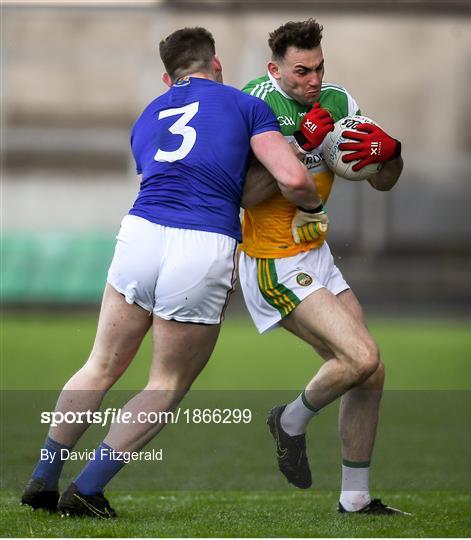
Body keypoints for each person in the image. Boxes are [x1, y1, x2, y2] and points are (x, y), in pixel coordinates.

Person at [20, 26, 327, 519]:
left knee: (100, 364)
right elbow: (290, 178)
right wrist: (312, 202)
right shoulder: (245, 104)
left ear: (169, 77)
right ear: (217, 65)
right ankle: (88, 489)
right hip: (201, 242)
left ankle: (43, 476)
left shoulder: (147, 115)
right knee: (166, 382)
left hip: (140, 231)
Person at [239, 19, 409, 515]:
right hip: (273, 259)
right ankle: (288, 421)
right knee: (359, 357)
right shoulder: (254, 105)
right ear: (275, 69)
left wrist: (391, 153)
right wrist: (300, 147)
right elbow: (244, 195)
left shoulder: (337, 101)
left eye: (318, 68)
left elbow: (383, 182)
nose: (313, 80)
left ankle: (354, 499)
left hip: (315, 255)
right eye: (300, 71)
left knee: (371, 372)